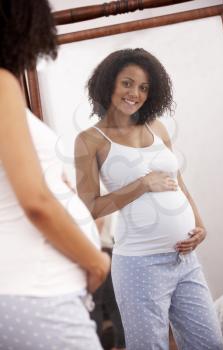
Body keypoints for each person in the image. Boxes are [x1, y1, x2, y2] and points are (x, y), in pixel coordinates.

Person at [75, 48, 223, 350]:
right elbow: (90, 206)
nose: (135, 93)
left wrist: (199, 225)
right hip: (140, 265)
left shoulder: (156, 126)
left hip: (185, 259)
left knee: (209, 343)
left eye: (144, 87)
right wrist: (141, 185)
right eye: (127, 83)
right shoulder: (90, 141)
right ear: (109, 84)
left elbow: (177, 181)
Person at [0, 1, 110, 350]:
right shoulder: (1, 84)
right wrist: (96, 264)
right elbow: (36, 202)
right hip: (39, 290)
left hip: (27, 291)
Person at [91, 213, 125, 350]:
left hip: (98, 249)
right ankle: (121, 345)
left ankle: (95, 345)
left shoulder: (96, 192)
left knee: (95, 304)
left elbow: (98, 219)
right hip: (109, 249)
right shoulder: (108, 193)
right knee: (114, 304)